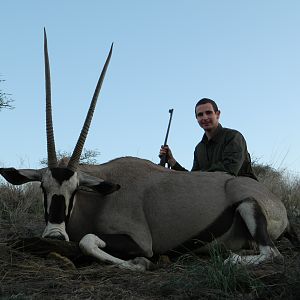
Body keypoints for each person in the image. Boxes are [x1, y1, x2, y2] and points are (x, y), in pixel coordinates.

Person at [159, 98, 257, 180]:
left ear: (217, 114)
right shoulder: (199, 148)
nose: (205, 117)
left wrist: (199, 174)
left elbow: (228, 170)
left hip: (243, 190)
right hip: (213, 190)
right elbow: (193, 178)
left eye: (208, 113)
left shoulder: (234, 137)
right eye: (200, 115)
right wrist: (172, 162)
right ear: (196, 118)